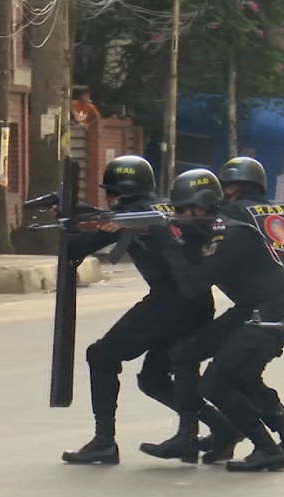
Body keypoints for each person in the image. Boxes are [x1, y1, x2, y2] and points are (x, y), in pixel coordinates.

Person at [60, 156, 239, 466]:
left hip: (168, 304)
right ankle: (222, 428)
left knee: (101, 355)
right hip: (197, 303)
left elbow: (77, 247)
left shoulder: (133, 218)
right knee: (154, 379)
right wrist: (83, 217)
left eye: (109, 193)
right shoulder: (167, 209)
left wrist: (70, 228)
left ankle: (104, 441)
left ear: (116, 193)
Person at [140, 169, 284, 472]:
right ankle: (187, 435)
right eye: (177, 210)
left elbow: (193, 285)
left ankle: (267, 448)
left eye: (185, 210)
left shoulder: (231, 234)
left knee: (216, 383)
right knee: (183, 354)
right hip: (249, 308)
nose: (180, 216)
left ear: (203, 207)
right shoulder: (211, 231)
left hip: (270, 312)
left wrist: (169, 241)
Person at [211, 156, 284, 464]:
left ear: (234, 187)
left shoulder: (233, 212)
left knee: (219, 379)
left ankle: (267, 447)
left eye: (225, 187)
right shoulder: (282, 209)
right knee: (245, 374)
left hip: (272, 305)